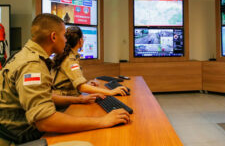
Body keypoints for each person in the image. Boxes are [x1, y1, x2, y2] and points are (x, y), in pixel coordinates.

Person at [0, 14, 130, 146]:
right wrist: (103, 121)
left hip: (17, 130)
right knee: (87, 143)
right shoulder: (32, 65)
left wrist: (78, 99)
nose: (66, 40)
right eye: (63, 36)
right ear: (54, 37)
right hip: (16, 138)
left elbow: (44, 96)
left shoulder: (25, 55)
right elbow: (45, 121)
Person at [51, 26, 128, 107]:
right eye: (83, 38)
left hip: (64, 98)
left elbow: (70, 83)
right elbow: (82, 88)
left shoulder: (66, 55)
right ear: (80, 41)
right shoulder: (70, 60)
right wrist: (111, 92)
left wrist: (87, 85)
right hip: (64, 104)